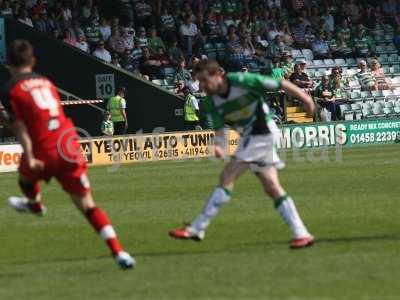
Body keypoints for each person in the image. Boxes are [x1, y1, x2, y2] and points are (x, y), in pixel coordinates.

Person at [0, 40, 134, 269]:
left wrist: (29, 154)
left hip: (44, 149)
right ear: (33, 61)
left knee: (25, 179)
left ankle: (35, 204)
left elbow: (21, 127)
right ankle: (120, 252)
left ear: (7, 64)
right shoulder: (46, 82)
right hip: (69, 145)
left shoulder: (10, 90)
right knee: (88, 206)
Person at [169, 60, 315, 249]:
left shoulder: (242, 80)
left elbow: (281, 84)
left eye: (205, 80)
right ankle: (301, 233)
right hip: (252, 137)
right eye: (200, 82)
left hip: (263, 132)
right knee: (271, 187)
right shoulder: (211, 101)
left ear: (218, 75)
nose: (202, 86)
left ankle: (198, 227)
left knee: (227, 176)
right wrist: (220, 146)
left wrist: (307, 99)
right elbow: (220, 130)